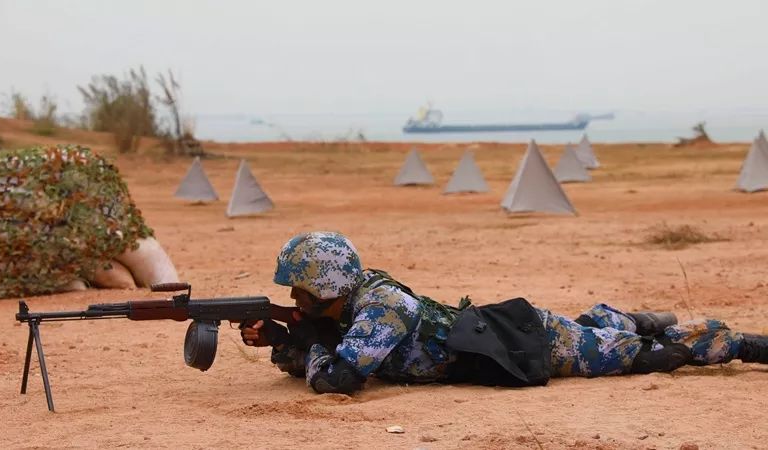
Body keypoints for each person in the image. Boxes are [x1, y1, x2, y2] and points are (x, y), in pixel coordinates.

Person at [241, 231, 768, 394]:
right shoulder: (349, 307)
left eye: (301, 292)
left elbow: (339, 379)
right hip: (502, 332)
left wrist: (305, 343)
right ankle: (620, 317)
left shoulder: (382, 307)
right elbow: (320, 356)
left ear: (324, 285)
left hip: (522, 342)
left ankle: (741, 344)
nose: (295, 302)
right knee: (598, 336)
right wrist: (286, 343)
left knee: (645, 358)